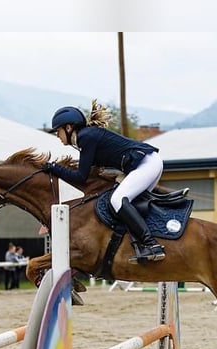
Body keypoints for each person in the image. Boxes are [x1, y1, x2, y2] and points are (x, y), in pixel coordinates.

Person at [43, 100, 165, 264]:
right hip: (148, 162)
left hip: (146, 164)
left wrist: (53, 168)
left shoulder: (85, 137)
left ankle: (151, 244)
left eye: (58, 131)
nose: (57, 136)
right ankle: (142, 245)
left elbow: (81, 177)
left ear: (69, 127)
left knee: (117, 199)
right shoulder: (87, 138)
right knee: (131, 205)